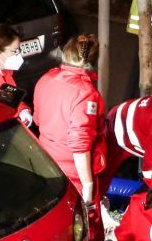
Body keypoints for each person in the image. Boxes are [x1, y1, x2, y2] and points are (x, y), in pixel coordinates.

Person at [33, 34, 107, 206]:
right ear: (93, 61)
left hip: (46, 163)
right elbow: (80, 144)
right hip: (74, 173)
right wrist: (87, 185)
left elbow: (38, 119)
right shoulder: (85, 93)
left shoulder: (46, 78)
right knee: (85, 224)